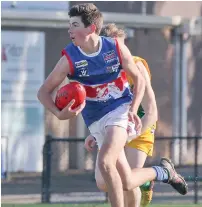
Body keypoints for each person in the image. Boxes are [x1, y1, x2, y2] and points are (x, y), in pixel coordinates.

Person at [37, 3, 188, 207]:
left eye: (74, 24)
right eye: (69, 24)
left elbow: (149, 105)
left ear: (91, 29)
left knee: (106, 162)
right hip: (97, 120)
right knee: (118, 180)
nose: (69, 29)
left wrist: (132, 115)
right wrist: (58, 113)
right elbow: (43, 92)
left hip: (124, 115)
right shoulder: (70, 58)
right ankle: (161, 172)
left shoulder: (119, 52)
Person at [84, 23, 157, 207]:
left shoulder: (137, 67)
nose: (120, 53)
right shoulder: (101, 71)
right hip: (115, 125)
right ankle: (145, 179)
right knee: (103, 181)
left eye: (122, 47)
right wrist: (96, 133)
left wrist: (124, 137)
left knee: (127, 180)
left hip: (141, 124)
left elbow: (152, 112)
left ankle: (152, 175)